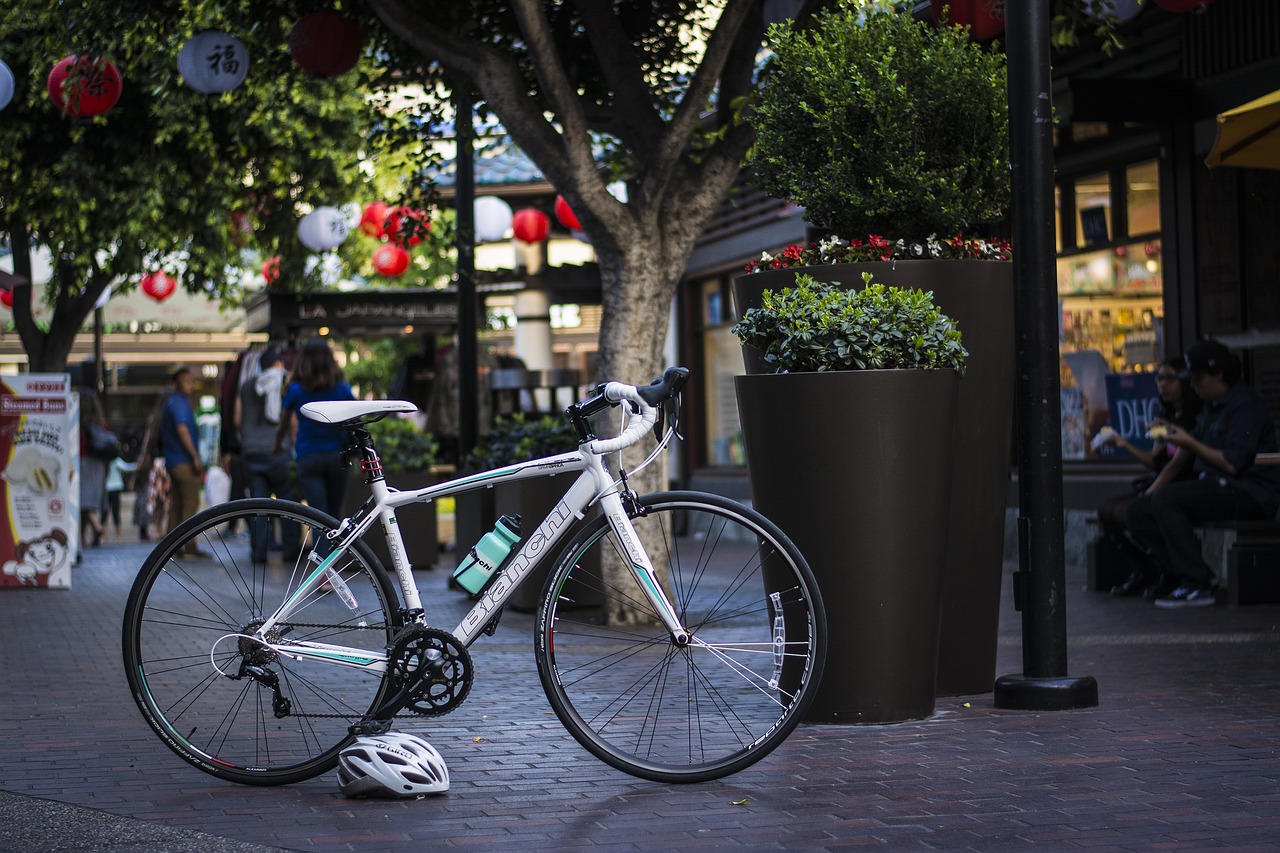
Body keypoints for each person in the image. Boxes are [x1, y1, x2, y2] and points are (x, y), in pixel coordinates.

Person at [1125, 339, 1280, 608]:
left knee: (1168, 500)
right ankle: (1184, 575)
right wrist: (1170, 433)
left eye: (1197, 379)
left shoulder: (1245, 406)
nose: (1193, 386)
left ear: (1217, 374)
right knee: (1139, 510)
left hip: (1248, 491)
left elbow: (1233, 464)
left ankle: (1196, 583)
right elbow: (1188, 446)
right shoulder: (1210, 406)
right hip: (1215, 484)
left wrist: (1189, 442)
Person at [1098, 357, 1202, 597]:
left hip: (1182, 484)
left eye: (1169, 378)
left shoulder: (1194, 418)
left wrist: (1150, 492)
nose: (1162, 384)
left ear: (1185, 382)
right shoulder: (1164, 415)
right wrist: (1124, 444)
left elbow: (1177, 466)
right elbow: (1155, 460)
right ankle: (1143, 569)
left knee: (1134, 512)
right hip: (1161, 482)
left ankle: (1168, 572)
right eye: (1159, 378)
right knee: (1106, 511)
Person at [277, 340, 355, 518]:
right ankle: (339, 546)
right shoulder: (342, 388)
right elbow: (354, 416)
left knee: (318, 516)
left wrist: (277, 444)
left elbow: (283, 423)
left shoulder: (295, 390)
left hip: (308, 454)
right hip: (337, 456)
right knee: (335, 515)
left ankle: (321, 547)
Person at [238, 348, 300, 564]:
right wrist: (293, 442)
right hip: (277, 451)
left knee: (259, 505)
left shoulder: (247, 386)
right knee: (287, 503)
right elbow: (290, 419)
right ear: (278, 364)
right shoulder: (283, 383)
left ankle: (259, 552)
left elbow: (237, 419)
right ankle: (291, 551)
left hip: (252, 451)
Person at [161, 365, 208, 555]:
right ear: (177, 383)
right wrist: (195, 457)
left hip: (173, 460)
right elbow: (182, 429)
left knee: (177, 504)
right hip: (183, 461)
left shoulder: (173, 403)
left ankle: (171, 547)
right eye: (186, 381)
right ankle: (188, 545)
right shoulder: (179, 403)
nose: (190, 384)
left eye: (191, 380)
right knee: (190, 502)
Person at [78, 392, 111, 548]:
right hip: (99, 466)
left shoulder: (80, 426)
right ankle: (83, 537)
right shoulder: (100, 424)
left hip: (83, 463)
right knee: (89, 502)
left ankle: (97, 527)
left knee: (83, 502)